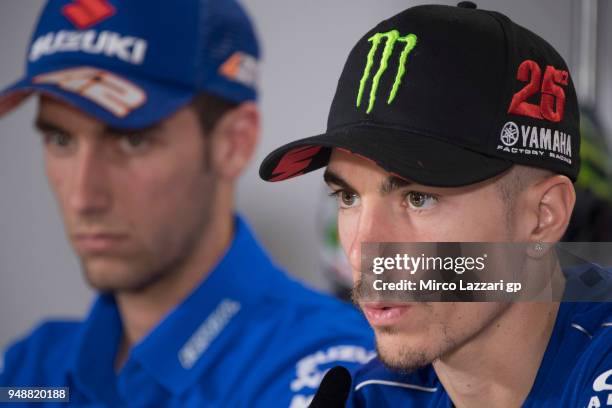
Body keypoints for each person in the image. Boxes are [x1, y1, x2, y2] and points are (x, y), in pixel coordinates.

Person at [0, 1, 374, 406]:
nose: (82, 197)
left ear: (234, 143)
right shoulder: (31, 370)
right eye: (60, 140)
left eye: (132, 140)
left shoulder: (336, 377)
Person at [260, 2, 612, 407]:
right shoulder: (372, 396)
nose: (363, 252)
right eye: (348, 196)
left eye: (418, 198)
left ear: (542, 217)